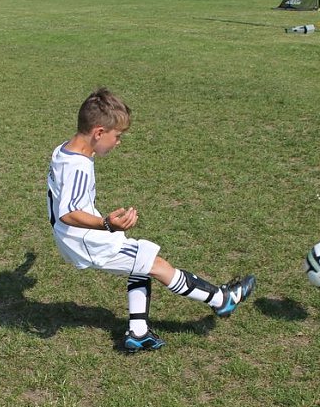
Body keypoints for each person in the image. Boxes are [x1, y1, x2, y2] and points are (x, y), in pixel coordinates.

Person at [46, 88, 255, 353]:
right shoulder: (79, 166)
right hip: (86, 239)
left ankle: (139, 333)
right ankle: (221, 299)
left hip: (75, 237)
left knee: (141, 263)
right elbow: (68, 212)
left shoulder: (65, 150)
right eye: (117, 136)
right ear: (98, 132)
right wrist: (107, 225)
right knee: (156, 265)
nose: (118, 142)